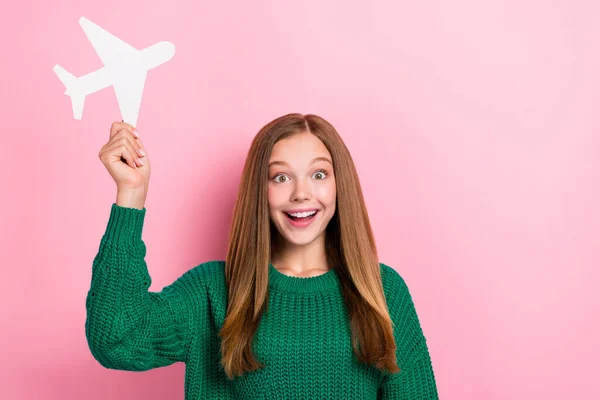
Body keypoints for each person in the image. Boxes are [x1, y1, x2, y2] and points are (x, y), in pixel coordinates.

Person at [87, 113, 439, 399]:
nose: (302, 193)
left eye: (318, 174)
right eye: (281, 177)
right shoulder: (213, 291)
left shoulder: (382, 290)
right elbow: (116, 339)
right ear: (260, 190)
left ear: (338, 184)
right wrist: (131, 194)